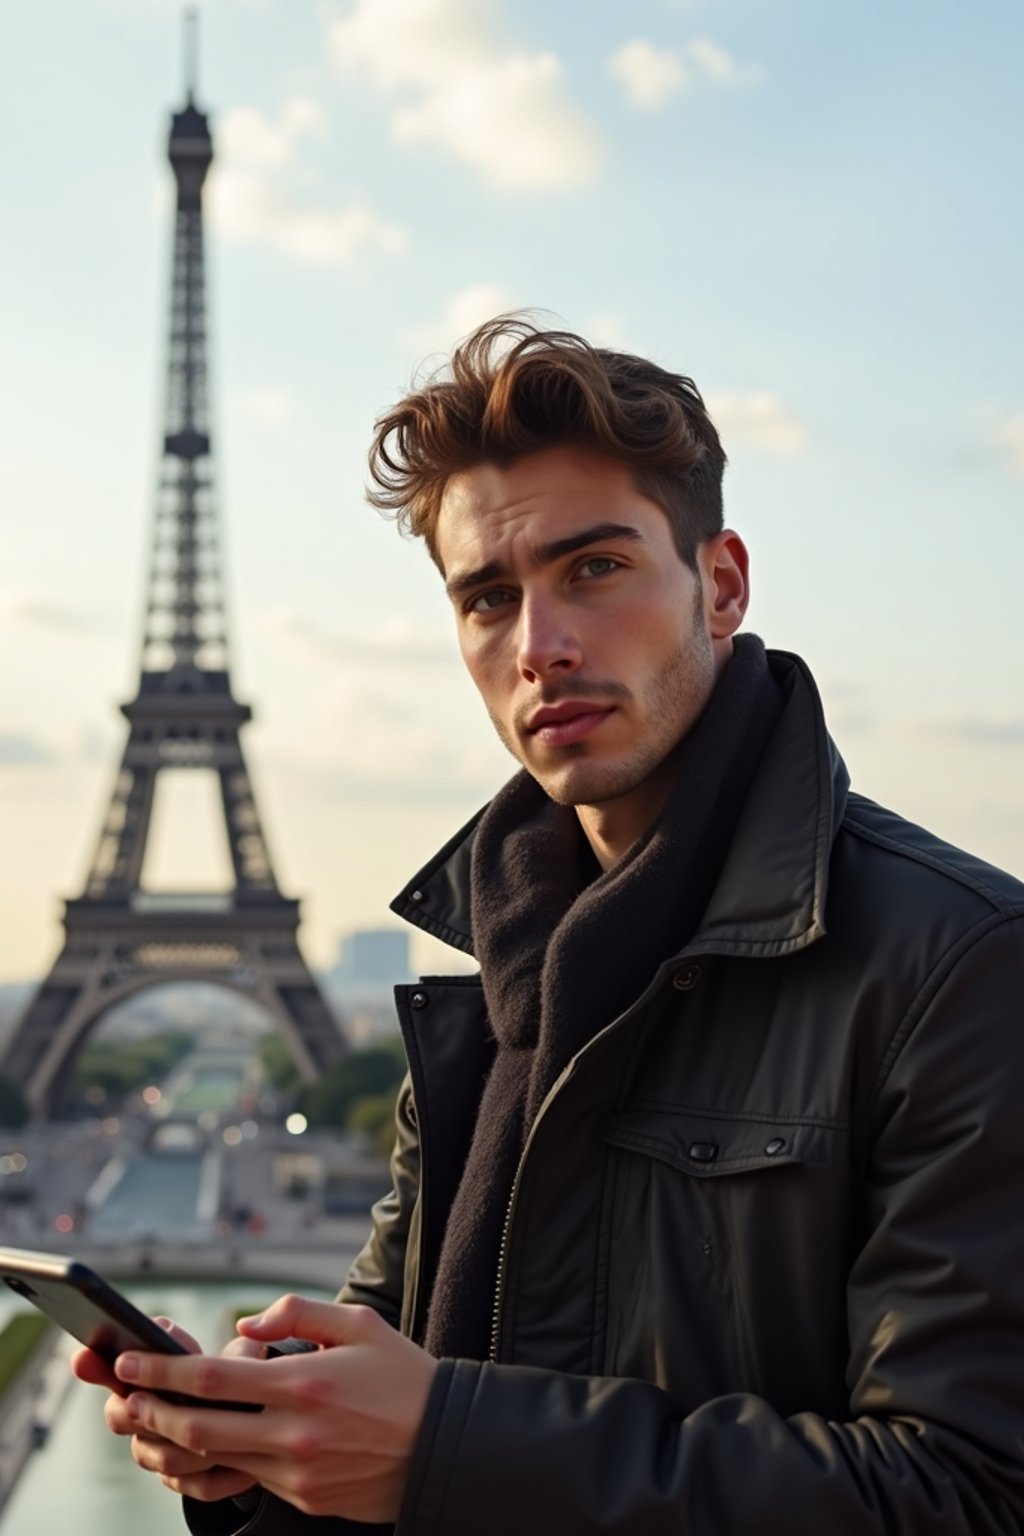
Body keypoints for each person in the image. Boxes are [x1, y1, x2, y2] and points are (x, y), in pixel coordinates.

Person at [74, 317, 1024, 1534]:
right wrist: (267, 1444)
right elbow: (403, 1392)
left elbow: (975, 1495)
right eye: (486, 598)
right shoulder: (498, 977)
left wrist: (442, 1447)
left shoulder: (962, 969)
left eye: (595, 569)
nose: (540, 648)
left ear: (721, 584)